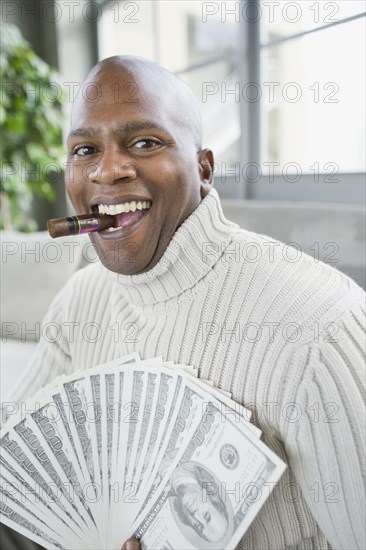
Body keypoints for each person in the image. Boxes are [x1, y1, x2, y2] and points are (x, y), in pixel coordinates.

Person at [5, 55, 366, 549]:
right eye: (85, 149)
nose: (108, 170)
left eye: (145, 142)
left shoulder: (322, 327)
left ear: (204, 169)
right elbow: (17, 469)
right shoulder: (79, 301)